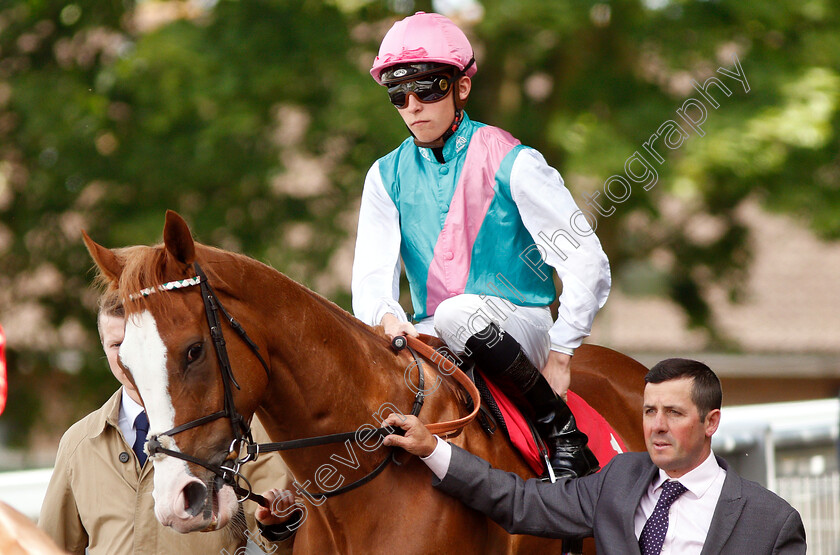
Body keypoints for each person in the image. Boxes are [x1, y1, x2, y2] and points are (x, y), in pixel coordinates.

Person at [351, 11, 611, 480]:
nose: (413, 105)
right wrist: (389, 318)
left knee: (456, 313)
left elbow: (587, 261)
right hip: (435, 333)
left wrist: (562, 352)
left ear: (461, 88)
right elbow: (370, 280)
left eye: (428, 88)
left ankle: (561, 429)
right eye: (399, 94)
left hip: (522, 327)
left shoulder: (514, 160)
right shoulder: (383, 176)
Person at [382, 358, 807, 554]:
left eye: (674, 413)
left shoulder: (771, 522)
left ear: (711, 422)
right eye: (649, 411)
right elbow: (519, 502)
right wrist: (432, 448)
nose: (656, 426)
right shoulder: (618, 478)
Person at [39, 291, 301, 555]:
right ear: (103, 348)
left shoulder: (236, 427)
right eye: (117, 345)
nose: (127, 357)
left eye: (136, 343)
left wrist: (277, 521)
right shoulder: (79, 443)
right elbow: (49, 548)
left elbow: (281, 540)